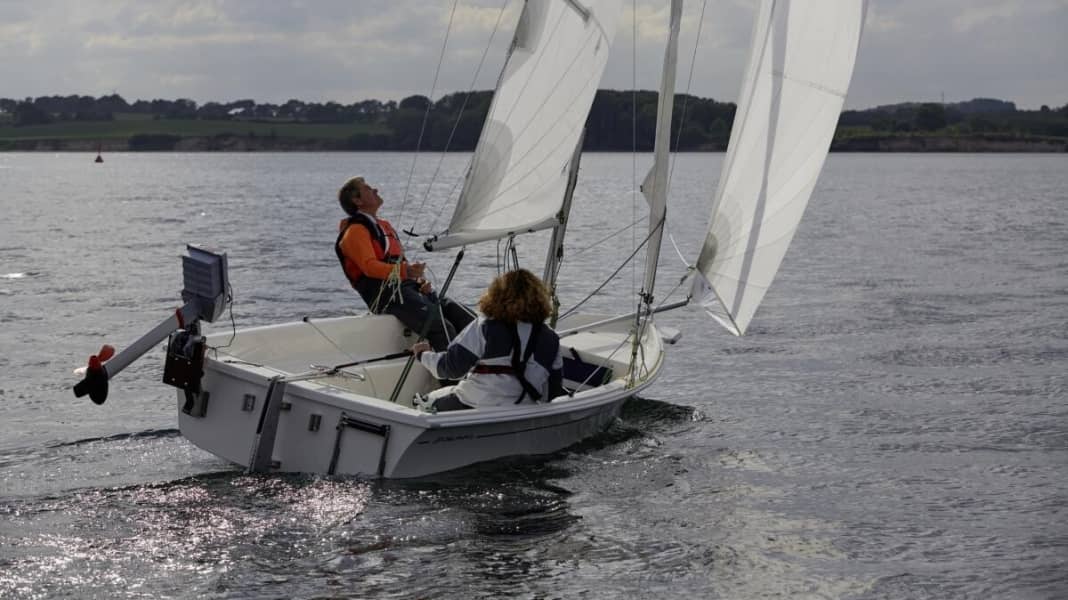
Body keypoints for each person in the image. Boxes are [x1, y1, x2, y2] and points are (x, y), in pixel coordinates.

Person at [335, 176, 473, 351]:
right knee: (441, 327)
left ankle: (486, 371)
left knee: (466, 318)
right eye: (368, 188)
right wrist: (406, 271)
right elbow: (369, 267)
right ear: (357, 200)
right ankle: (450, 378)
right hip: (388, 296)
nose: (376, 190)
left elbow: (401, 263)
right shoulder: (354, 232)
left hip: (409, 290)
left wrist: (419, 281)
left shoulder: (384, 226)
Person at [409, 269, 565, 412]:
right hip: (523, 411)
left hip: (475, 404)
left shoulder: (484, 326)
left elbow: (450, 369)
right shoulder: (551, 338)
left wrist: (423, 354)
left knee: (421, 403)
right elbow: (553, 392)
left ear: (497, 295)